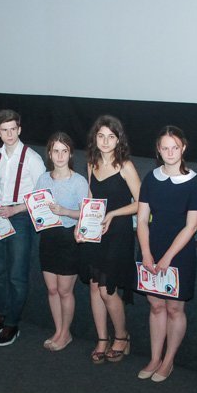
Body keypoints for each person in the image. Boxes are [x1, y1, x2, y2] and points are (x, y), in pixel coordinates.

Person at [135, 127, 197, 380]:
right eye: (165, 148)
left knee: (175, 309)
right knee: (155, 306)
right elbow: (142, 220)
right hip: (151, 249)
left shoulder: (194, 183)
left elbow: (191, 226)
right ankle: (155, 358)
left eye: (175, 147)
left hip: (179, 253)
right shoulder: (150, 178)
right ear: (158, 150)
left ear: (183, 148)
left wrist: (167, 258)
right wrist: (146, 253)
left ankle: (168, 360)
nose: (170, 152)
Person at [0, 110, 46, 346]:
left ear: (19, 129)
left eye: (13, 129)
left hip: (20, 218)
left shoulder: (32, 158)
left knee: (17, 275)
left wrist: (15, 210)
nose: (9, 134)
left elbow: (41, 196)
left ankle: (12, 323)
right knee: (0, 272)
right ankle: (2, 315)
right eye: (4, 130)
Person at [78, 115, 141, 363]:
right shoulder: (91, 163)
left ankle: (122, 336)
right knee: (95, 287)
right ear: (95, 138)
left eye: (111, 137)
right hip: (96, 232)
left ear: (118, 140)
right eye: (101, 136)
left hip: (118, 233)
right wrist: (82, 226)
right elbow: (90, 199)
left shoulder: (125, 166)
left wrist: (113, 213)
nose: (105, 141)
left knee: (107, 290)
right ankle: (102, 339)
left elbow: (141, 204)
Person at [35, 133, 88, 351]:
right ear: (49, 154)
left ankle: (66, 333)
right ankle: (58, 330)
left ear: (70, 154)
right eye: (55, 151)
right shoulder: (43, 179)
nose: (59, 155)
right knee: (52, 289)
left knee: (65, 291)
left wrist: (64, 211)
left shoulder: (79, 181)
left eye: (64, 151)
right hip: (48, 237)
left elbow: (87, 214)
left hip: (69, 239)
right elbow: (35, 206)